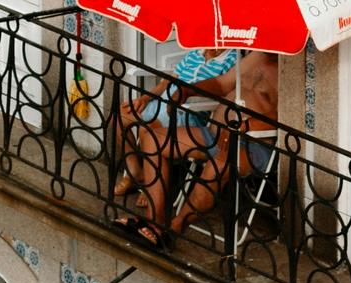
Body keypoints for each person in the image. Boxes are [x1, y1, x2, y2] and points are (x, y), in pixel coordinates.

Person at [119, 51, 278, 244]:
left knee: (219, 164)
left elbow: (287, 117)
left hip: (252, 144)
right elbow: (221, 84)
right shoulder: (257, 56)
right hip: (215, 134)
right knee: (155, 139)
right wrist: (188, 90)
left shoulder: (288, 71)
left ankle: (173, 230)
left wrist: (246, 126)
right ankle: (154, 224)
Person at [113, 46, 238, 196]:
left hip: (187, 112)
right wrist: (144, 99)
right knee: (119, 117)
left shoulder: (232, 59)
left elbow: (226, 93)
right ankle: (135, 173)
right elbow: (165, 83)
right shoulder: (195, 53)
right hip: (162, 103)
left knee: (148, 130)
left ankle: (151, 187)